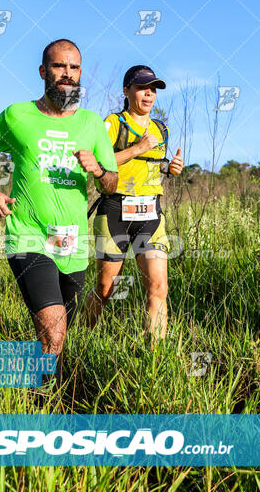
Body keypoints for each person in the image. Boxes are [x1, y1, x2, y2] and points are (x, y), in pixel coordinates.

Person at [0, 39, 118, 383]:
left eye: (74, 68)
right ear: (43, 71)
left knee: (59, 334)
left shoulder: (92, 123)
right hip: (28, 236)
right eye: (59, 66)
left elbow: (111, 184)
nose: (67, 74)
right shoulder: (17, 115)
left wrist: (98, 169)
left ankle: (44, 386)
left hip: (71, 243)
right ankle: (44, 407)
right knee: (54, 333)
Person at [86, 65, 184, 343]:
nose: (149, 94)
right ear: (126, 90)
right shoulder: (113, 123)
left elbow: (152, 167)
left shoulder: (160, 129)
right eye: (142, 88)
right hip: (115, 211)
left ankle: (154, 357)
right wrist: (138, 147)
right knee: (105, 289)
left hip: (151, 214)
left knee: (158, 287)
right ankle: (82, 338)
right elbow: (97, 162)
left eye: (153, 89)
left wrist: (170, 168)